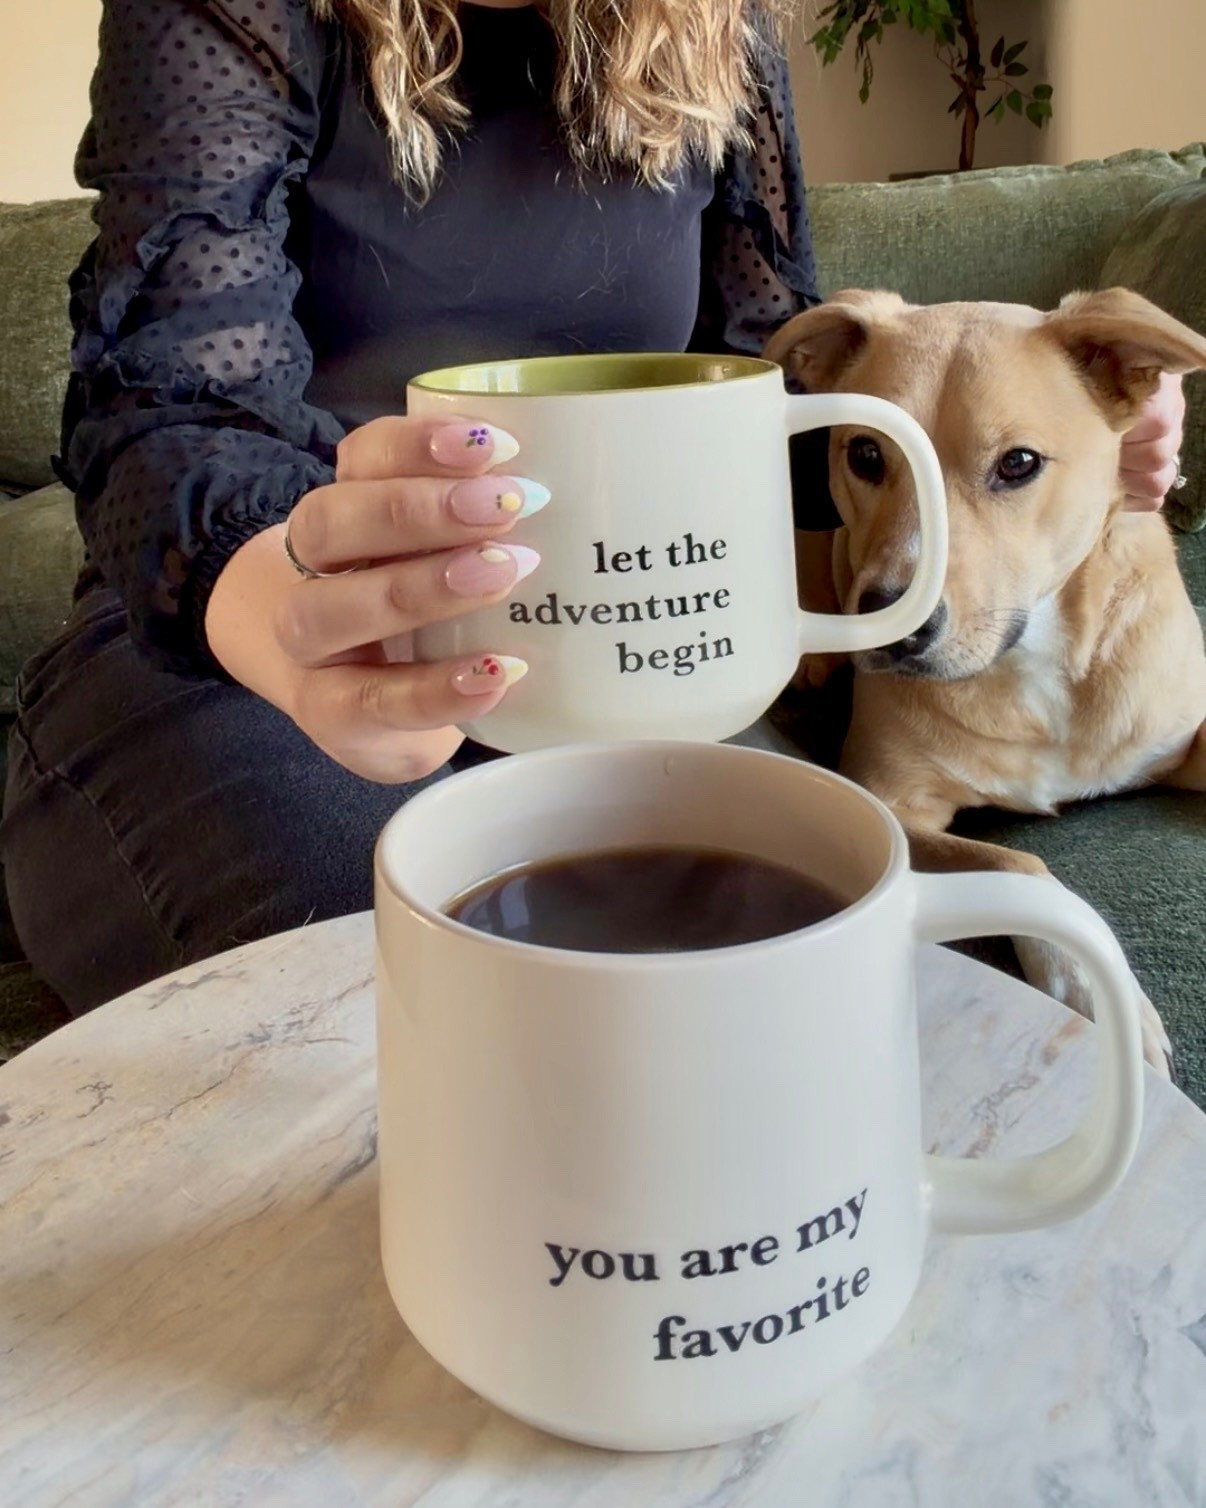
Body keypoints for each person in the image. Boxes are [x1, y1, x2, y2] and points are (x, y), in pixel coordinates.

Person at [0, 0, 1184, 1014]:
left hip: (620, 645)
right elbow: (165, 401)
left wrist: (1065, 431)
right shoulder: (237, 17)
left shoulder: (713, 27)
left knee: (827, 945)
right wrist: (291, 616)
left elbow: (775, 394)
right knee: (419, 975)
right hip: (236, 657)